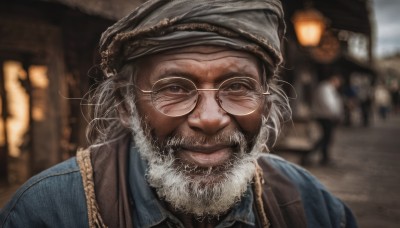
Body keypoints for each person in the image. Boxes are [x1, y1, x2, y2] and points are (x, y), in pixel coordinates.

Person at [0, 0, 357, 227]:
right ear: (126, 106)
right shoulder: (49, 213)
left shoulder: (310, 204)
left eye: (237, 87)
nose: (210, 118)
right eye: (174, 88)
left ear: (266, 101)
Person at [309, 75, 344, 165]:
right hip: (324, 116)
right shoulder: (325, 88)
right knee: (325, 137)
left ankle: (324, 157)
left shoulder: (329, 89)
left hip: (327, 116)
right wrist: (334, 114)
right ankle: (310, 154)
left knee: (326, 138)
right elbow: (327, 104)